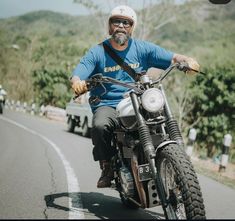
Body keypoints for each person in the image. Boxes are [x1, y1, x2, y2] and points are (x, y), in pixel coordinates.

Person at [70, 5, 200, 188]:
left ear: (132, 27)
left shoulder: (142, 48)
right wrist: (77, 81)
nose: (121, 26)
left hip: (138, 100)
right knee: (100, 125)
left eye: (126, 23)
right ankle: (106, 165)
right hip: (109, 104)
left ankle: (178, 164)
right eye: (116, 21)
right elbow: (80, 71)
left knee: (160, 115)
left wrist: (187, 60)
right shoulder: (97, 52)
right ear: (109, 26)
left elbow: (172, 57)